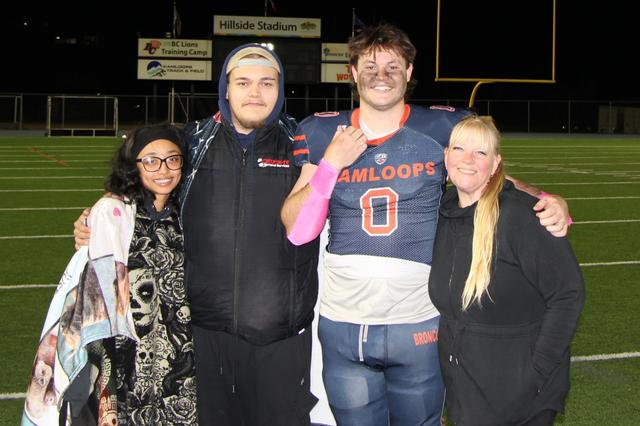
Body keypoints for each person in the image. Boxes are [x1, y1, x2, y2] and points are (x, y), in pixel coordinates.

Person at [280, 24, 572, 425]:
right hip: (344, 320)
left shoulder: (440, 127)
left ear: (409, 71)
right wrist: (330, 164)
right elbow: (298, 231)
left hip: (418, 322)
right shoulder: (322, 131)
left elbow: (487, 177)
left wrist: (546, 199)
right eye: (370, 66)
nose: (381, 76)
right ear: (353, 72)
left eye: (392, 66)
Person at [73, 44, 320, 426]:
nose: (255, 92)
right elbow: (147, 185)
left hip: (279, 337)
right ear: (226, 89)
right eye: (243, 82)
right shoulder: (194, 142)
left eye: (266, 83)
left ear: (280, 88)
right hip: (199, 336)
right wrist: (101, 215)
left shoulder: (303, 142)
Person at [22, 124, 197, 425]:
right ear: (133, 165)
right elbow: (97, 299)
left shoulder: (187, 214)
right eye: (151, 161)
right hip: (125, 352)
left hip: (179, 353)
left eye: (172, 159)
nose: (163, 169)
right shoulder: (115, 213)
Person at [428, 115, 585, 425]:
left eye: (480, 152)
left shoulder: (518, 217)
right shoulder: (441, 212)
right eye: (459, 149)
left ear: (495, 163)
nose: (468, 160)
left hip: (519, 396)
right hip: (467, 390)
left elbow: (568, 293)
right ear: (446, 156)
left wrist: (536, 370)